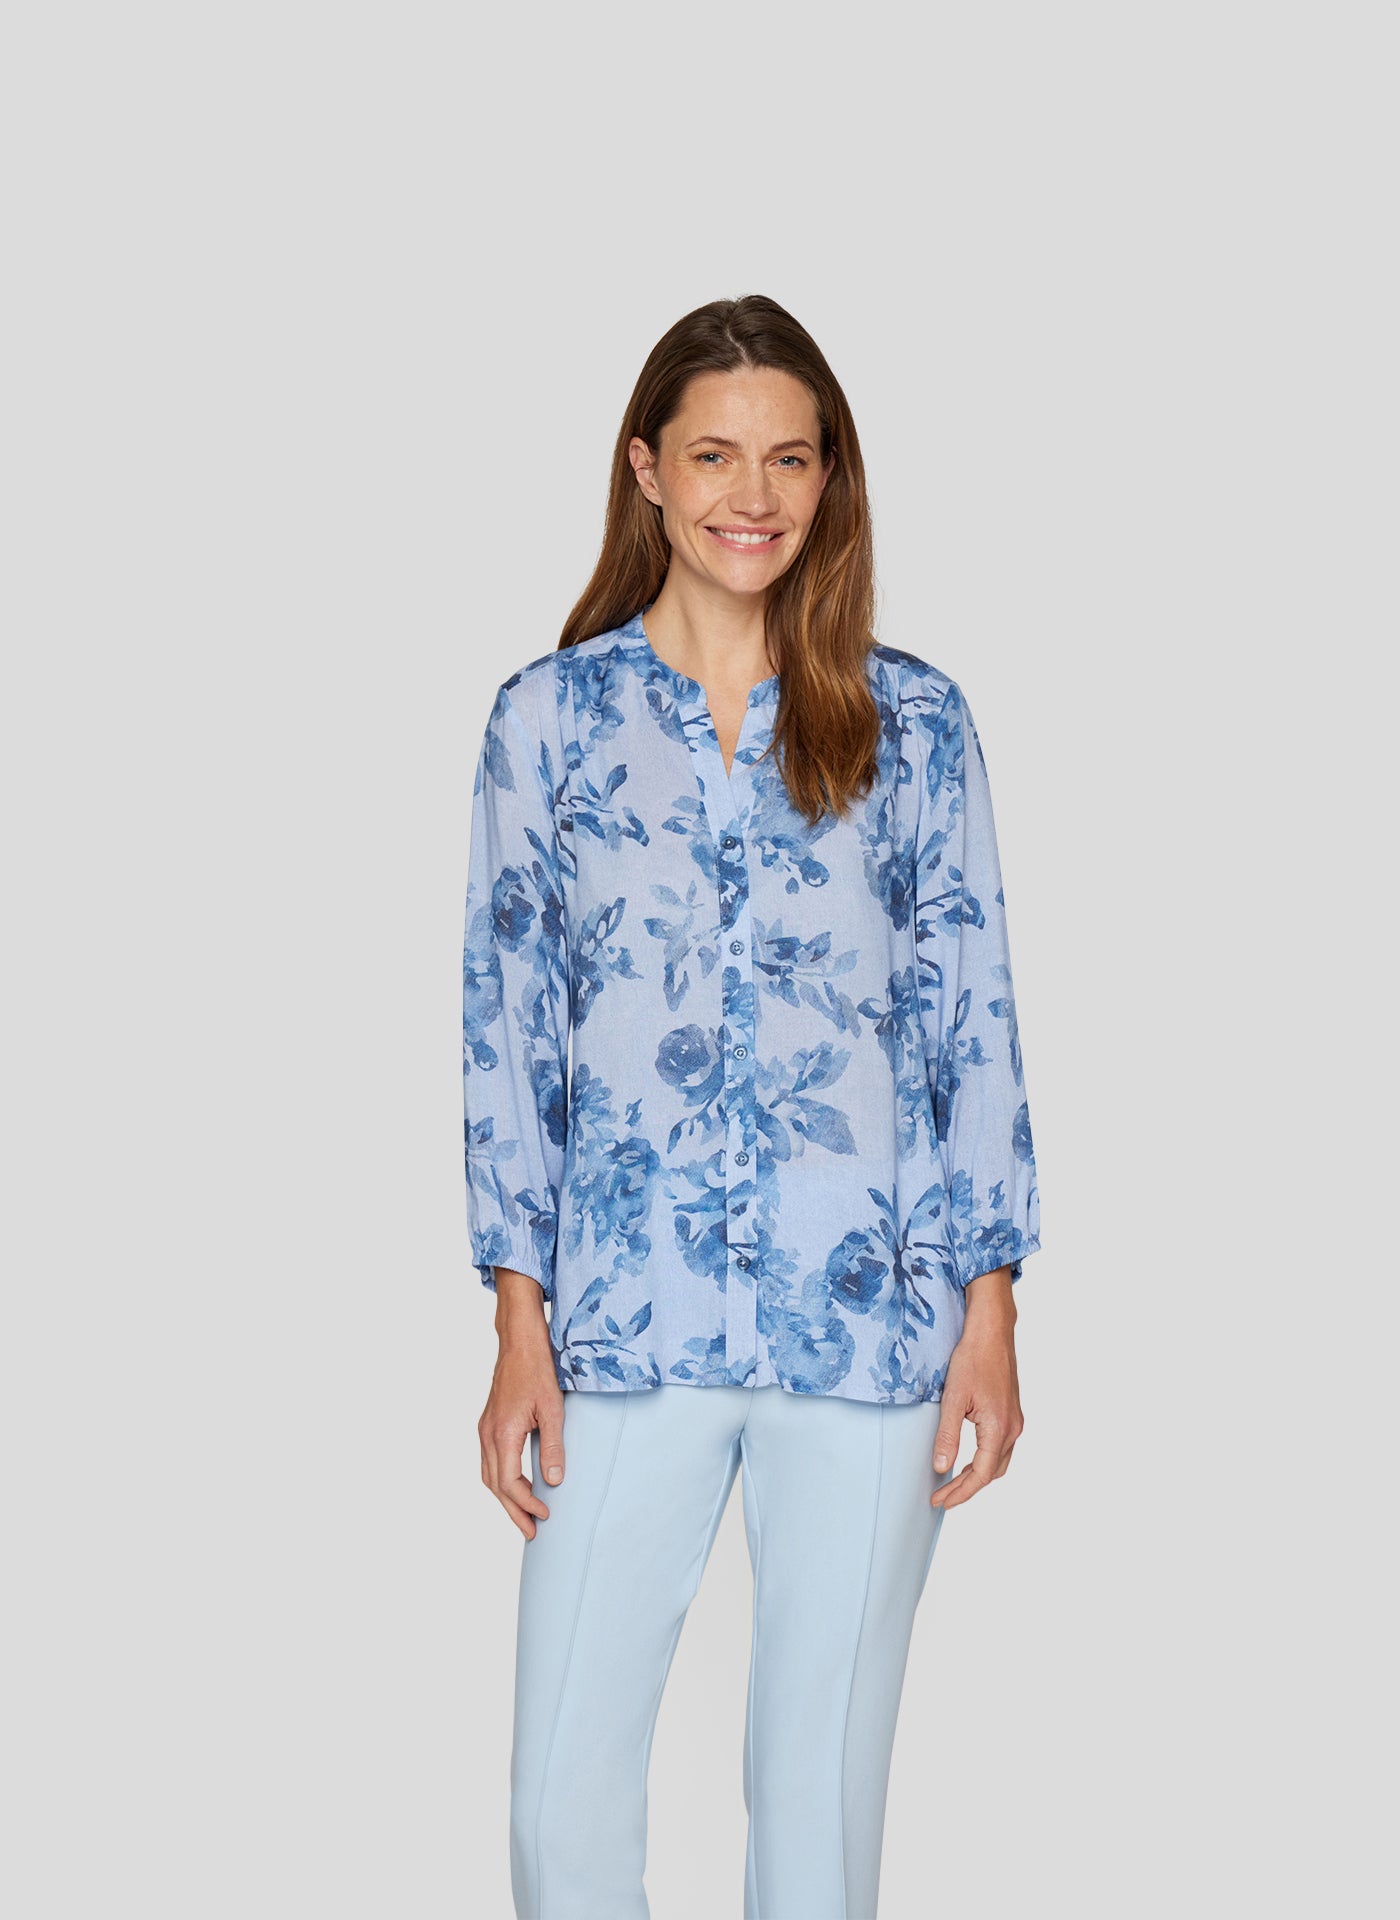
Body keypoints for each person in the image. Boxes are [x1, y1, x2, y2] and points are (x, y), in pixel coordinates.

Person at [462, 293, 1041, 1920]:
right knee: (559, 1807)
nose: (754, 493)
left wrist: (992, 1308)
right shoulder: (545, 723)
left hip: (872, 1325)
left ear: (828, 476)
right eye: (715, 454)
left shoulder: (915, 723)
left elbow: (971, 1017)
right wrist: (516, 1320)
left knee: (818, 1819)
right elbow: (510, 1035)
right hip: (623, 1320)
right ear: (646, 468)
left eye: (790, 457)